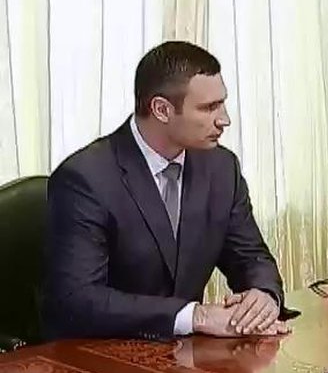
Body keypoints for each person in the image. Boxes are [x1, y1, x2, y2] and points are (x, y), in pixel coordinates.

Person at [44, 41, 289, 340]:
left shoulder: (222, 168)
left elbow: (250, 257)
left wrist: (263, 297)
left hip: (186, 356)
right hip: (100, 354)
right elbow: (78, 300)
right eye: (209, 107)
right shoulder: (85, 179)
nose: (224, 119)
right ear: (162, 109)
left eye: (222, 103)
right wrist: (195, 316)